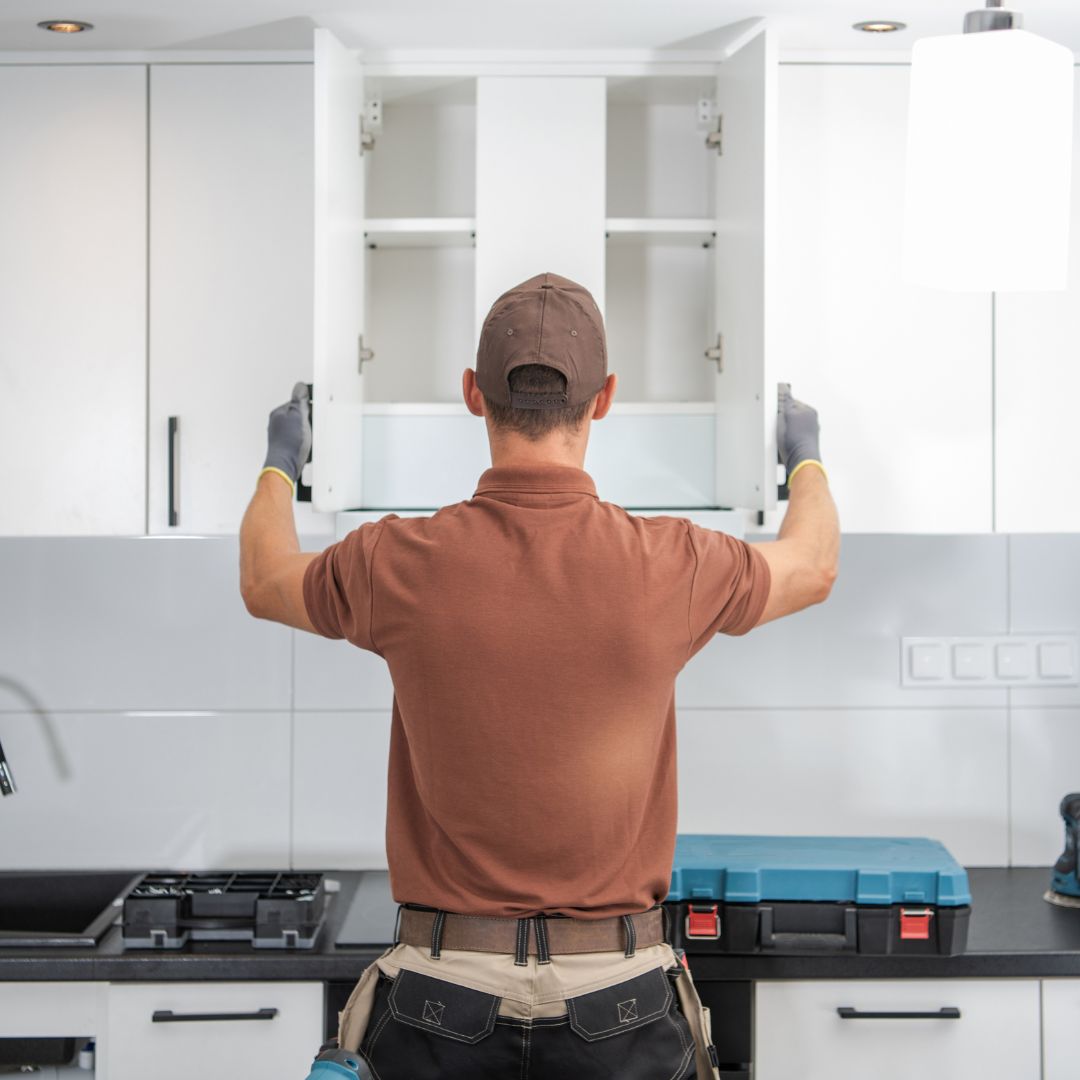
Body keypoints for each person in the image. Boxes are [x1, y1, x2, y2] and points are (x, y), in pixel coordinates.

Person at [240, 272, 839, 1080]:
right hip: (620, 1005)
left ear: (473, 393)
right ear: (605, 398)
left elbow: (264, 579)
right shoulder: (674, 563)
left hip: (439, 1002)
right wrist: (804, 457)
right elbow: (813, 565)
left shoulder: (395, 561)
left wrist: (281, 461)